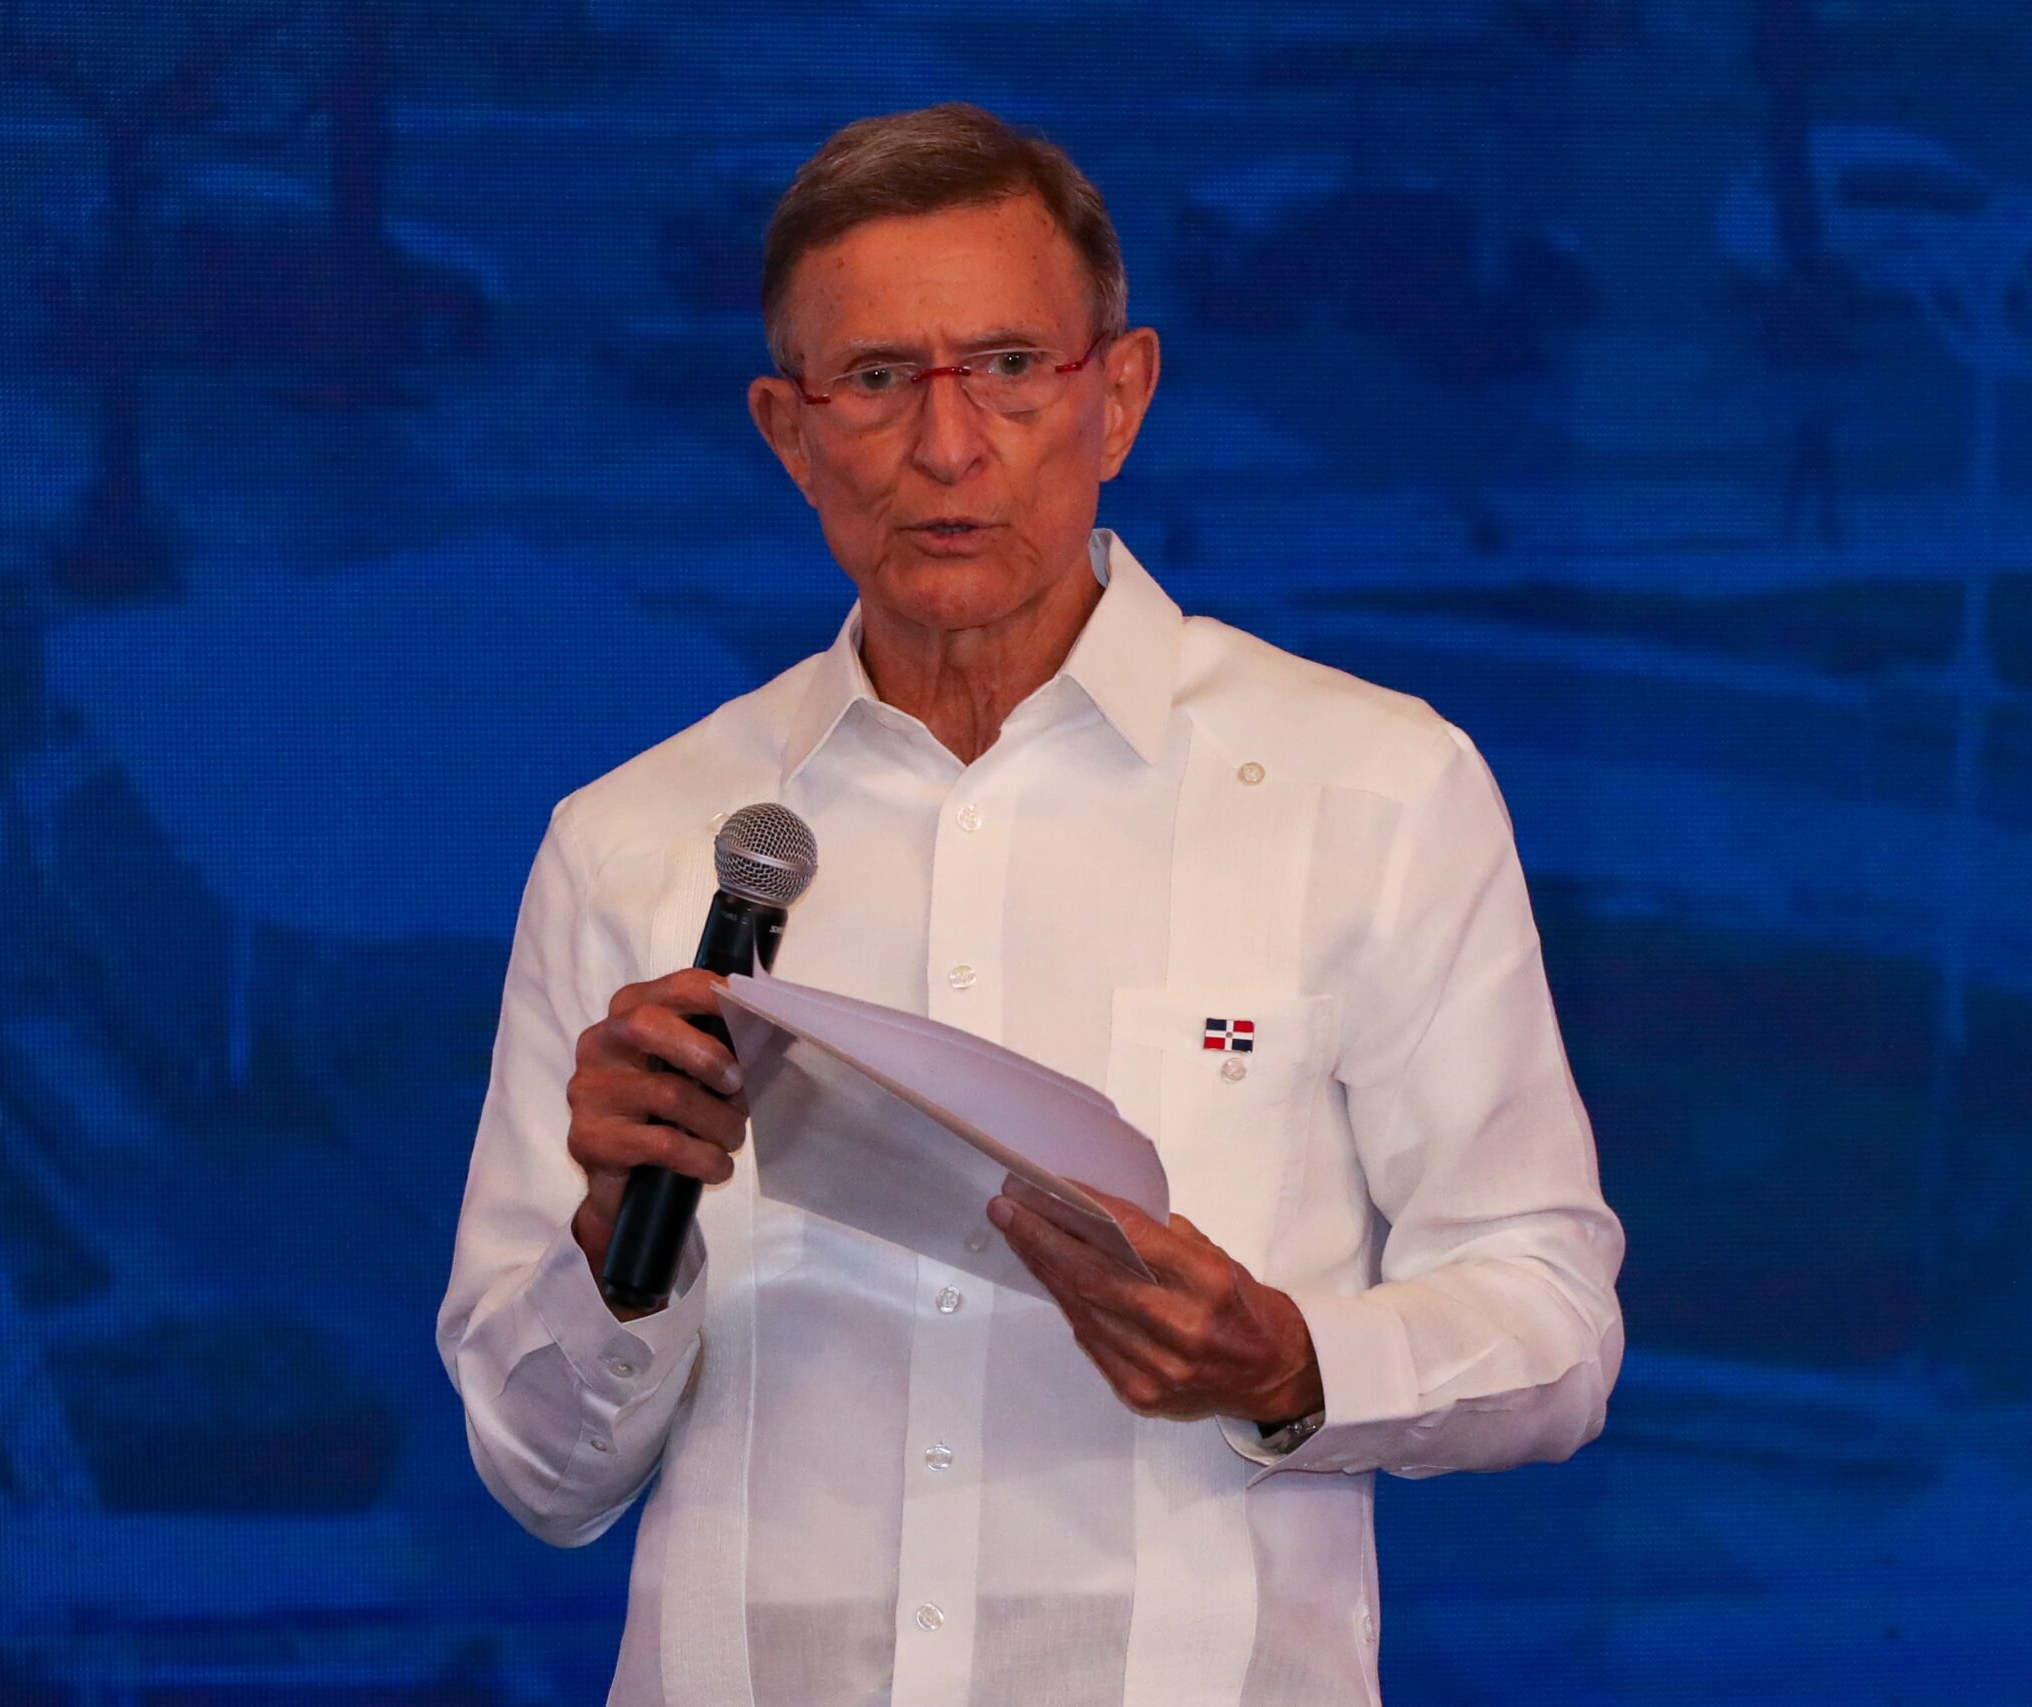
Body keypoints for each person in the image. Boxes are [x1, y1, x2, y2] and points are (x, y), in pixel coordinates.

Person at [438, 103, 1623, 1706]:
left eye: (1008, 368)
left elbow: (1554, 1326)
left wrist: (1290, 1361)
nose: (947, 447)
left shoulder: (1373, 791)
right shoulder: (634, 843)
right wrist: (612, 1249)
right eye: (876, 380)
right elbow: (540, 1477)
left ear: (1118, 396)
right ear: (788, 433)